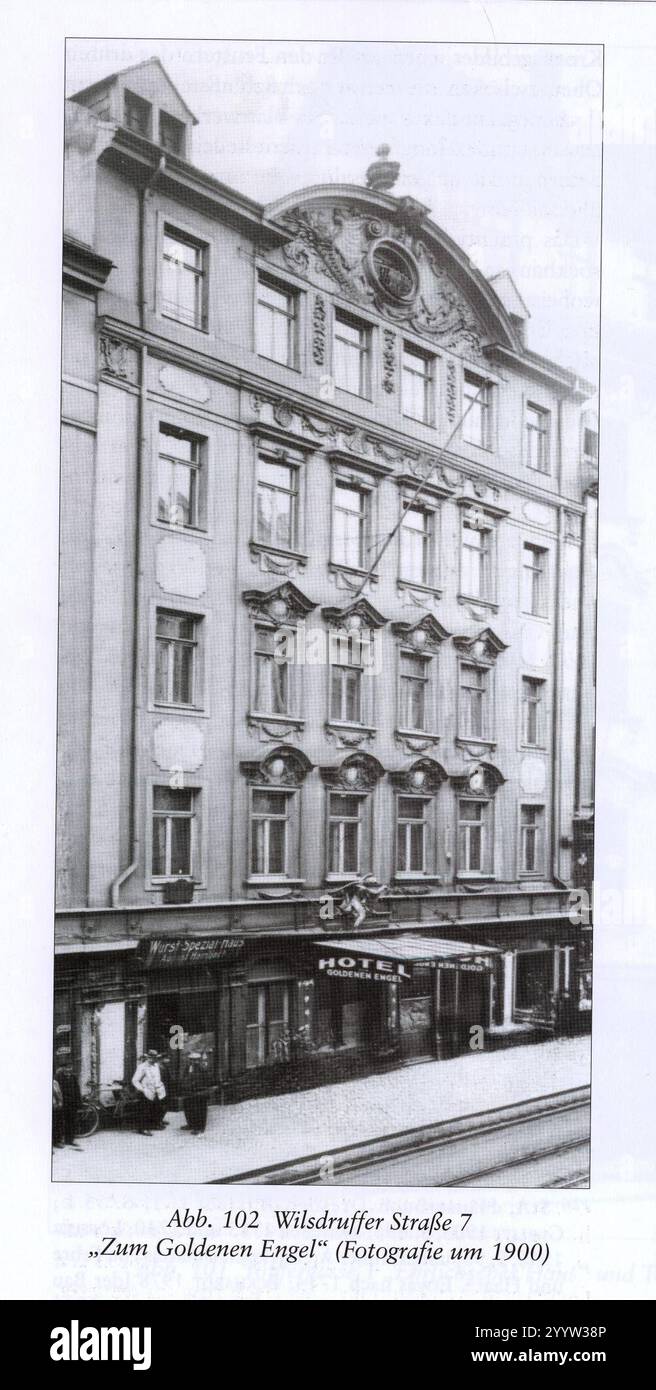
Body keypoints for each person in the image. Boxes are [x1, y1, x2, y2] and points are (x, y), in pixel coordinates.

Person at [132, 1050, 166, 1135]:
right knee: (144, 1111)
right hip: (146, 1091)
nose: (153, 1060)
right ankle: (143, 1129)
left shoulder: (156, 1066)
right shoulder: (142, 1067)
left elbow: (157, 1077)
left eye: (155, 1058)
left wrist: (160, 1086)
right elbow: (135, 1080)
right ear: (148, 1058)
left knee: (155, 1108)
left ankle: (154, 1125)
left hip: (157, 1090)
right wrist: (142, 1089)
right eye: (151, 1058)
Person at [181, 1052, 210, 1136]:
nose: (193, 1062)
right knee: (189, 1109)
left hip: (199, 1092)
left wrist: (199, 1089)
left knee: (200, 1111)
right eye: (191, 1060)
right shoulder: (188, 1067)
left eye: (195, 1060)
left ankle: (200, 1128)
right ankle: (191, 1124)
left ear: (198, 1060)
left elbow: (205, 1081)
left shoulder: (202, 1068)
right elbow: (184, 1077)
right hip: (189, 1092)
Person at [55, 1064, 82, 1148]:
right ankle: (58, 1141)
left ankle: (70, 1140)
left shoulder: (73, 1077)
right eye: (66, 1068)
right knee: (59, 1122)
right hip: (62, 1103)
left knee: (71, 1122)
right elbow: (57, 1091)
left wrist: (78, 1102)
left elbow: (77, 1089)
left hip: (72, 1103)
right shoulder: (58, 1077)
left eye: (70, 1067)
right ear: (63, 1068)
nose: (68, 1069)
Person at [52, 1075, 63, 1149]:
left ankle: (56, 1141)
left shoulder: (55, 1082)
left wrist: (60, 1102)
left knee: (56, 1124)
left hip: (55, 1106)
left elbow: (59, 1093)